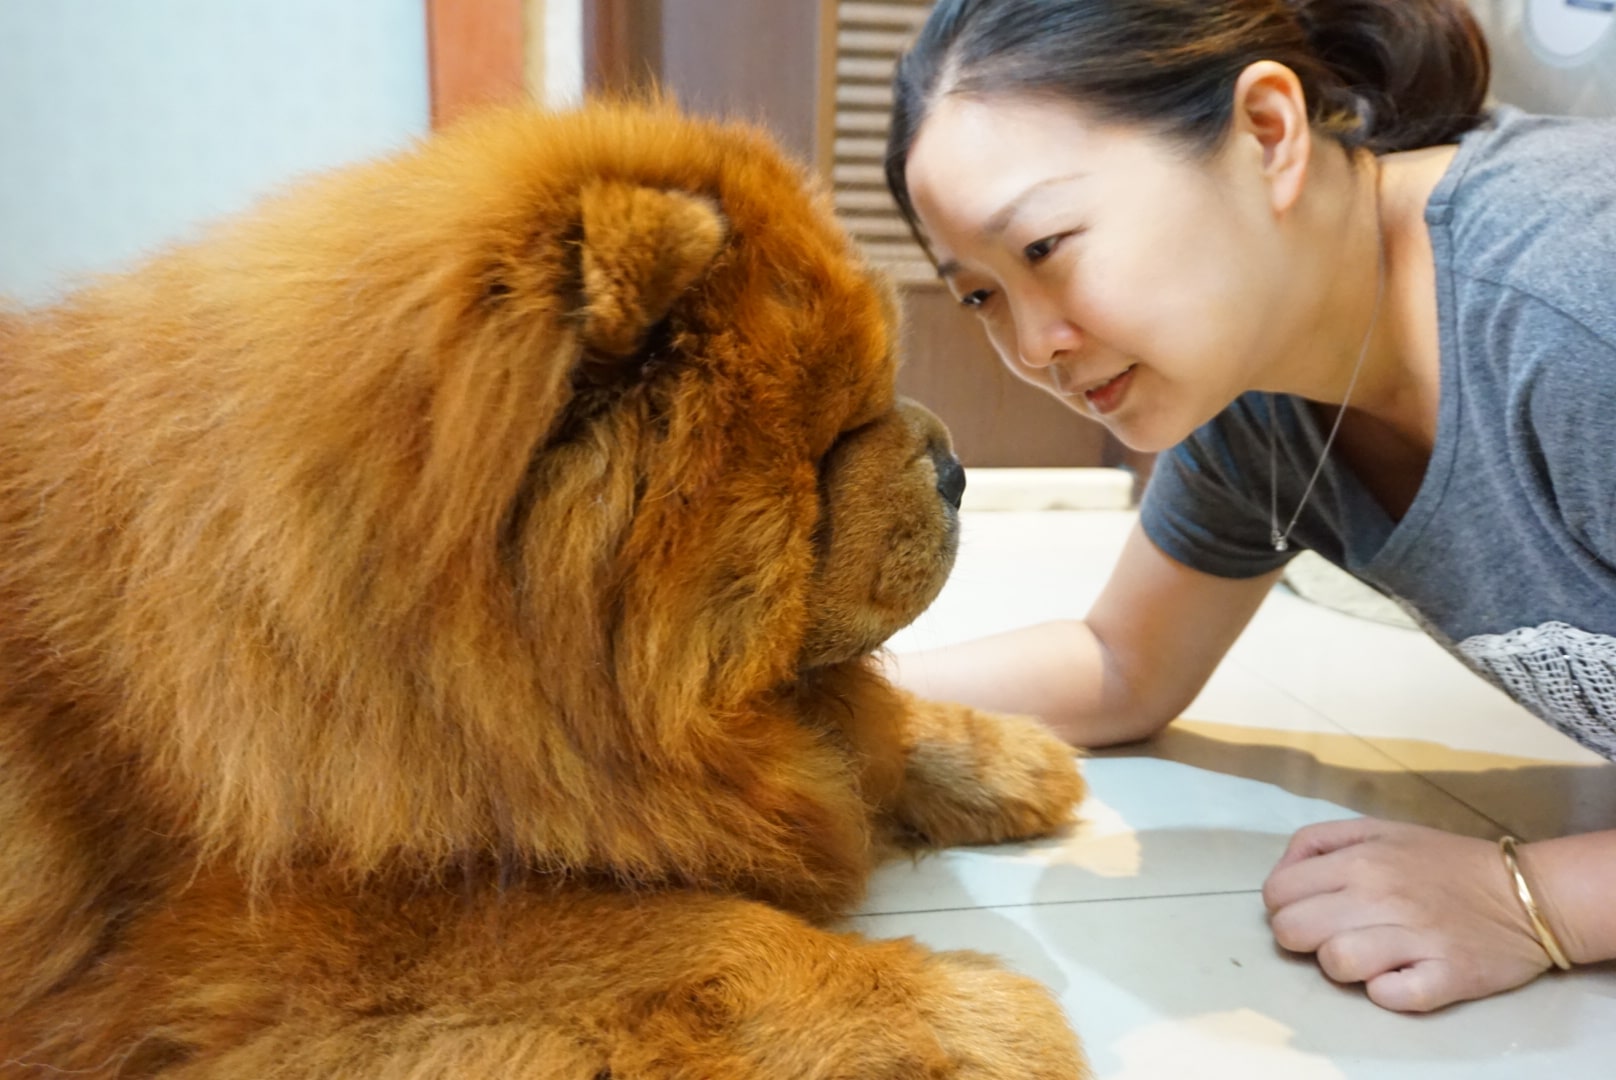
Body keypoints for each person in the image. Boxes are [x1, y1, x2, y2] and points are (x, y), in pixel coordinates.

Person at [882, 0, 1616, 1014]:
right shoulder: (1256, 399)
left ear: (1267, 132)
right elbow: (1121, 665)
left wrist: (1535, 899)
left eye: (1045, 247)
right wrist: (815, 690)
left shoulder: (1573, 305)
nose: (1030, 345)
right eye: (980, 295)